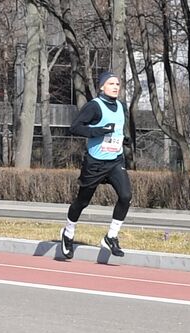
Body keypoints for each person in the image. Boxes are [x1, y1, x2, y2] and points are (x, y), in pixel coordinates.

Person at [60, 70, 132, 259]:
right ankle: (68, 232)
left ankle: (111, 236)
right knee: (82, 202)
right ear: (102, 87)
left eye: (117, 84)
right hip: (95, 162)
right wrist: (98, 131)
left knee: (126, 196)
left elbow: (117, 130)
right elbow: (75, 127)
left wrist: (123, 140)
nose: (116, 87)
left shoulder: (122, 106)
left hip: (115, 161)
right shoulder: (94, 106)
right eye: (111, 83)